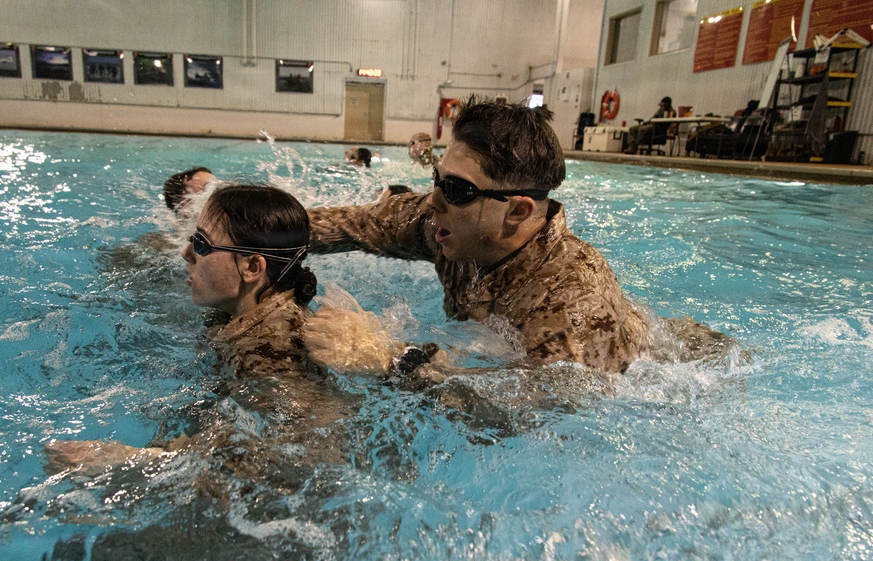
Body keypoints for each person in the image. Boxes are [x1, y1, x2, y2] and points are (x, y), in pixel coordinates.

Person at [304, 97, 723, 378]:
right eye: (438, 179)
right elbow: (359, 223)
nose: (433, 200)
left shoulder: (573, 305)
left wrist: (387, 357)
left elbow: (534, 412)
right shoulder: (455, 222)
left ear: (518, 210)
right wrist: (261, 232)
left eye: (456, 189)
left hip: (678, 371)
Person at [45, 184, 334, 475]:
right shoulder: (249, 314)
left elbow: (287, 456)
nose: (186, 253)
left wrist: (129, 461)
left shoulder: (267, 347)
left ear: (251, 267)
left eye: (202, 244)